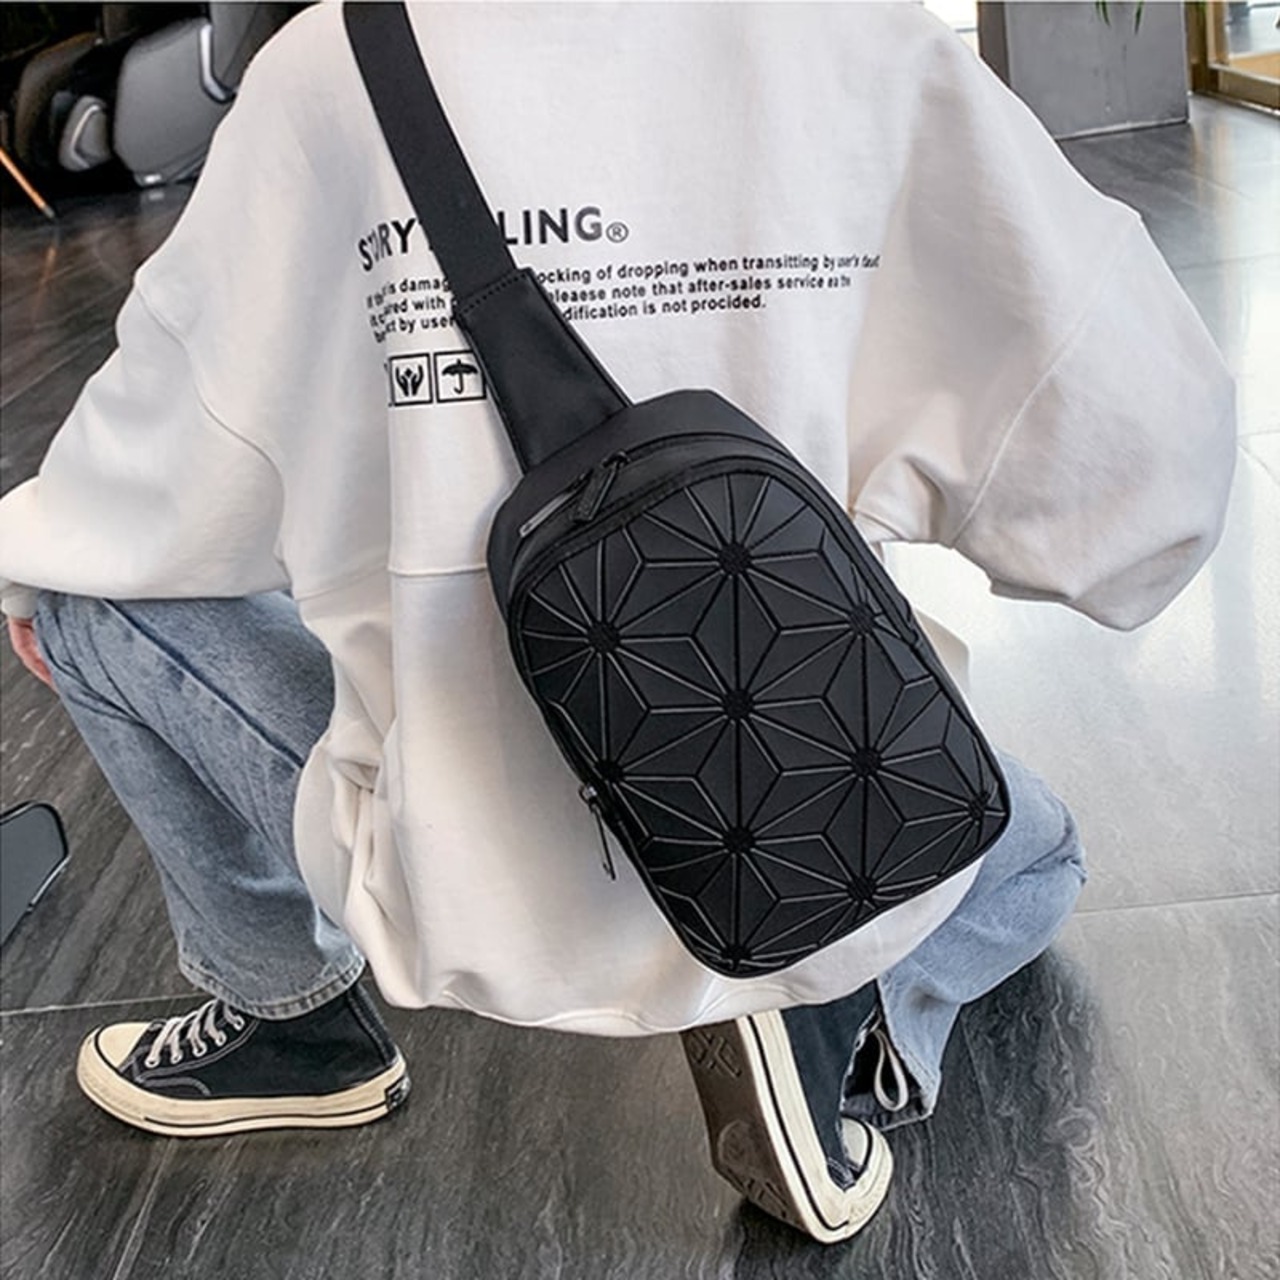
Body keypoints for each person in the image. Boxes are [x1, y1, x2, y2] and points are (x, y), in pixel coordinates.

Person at [0, 2, 1234, 1244]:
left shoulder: (324, 72)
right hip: (828, 791)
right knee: (1039, 852)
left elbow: (159, 461)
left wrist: (44, 563)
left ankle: (294, 1025)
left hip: (471, 862)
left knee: (80, 593)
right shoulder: (847, 41)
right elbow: (1140, 458)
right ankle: (832, 991)